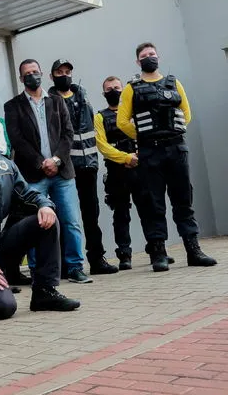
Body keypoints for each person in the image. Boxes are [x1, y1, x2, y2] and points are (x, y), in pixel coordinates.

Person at [0, 110, 80, 318]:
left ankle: (45, 292)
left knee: (47, 219)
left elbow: (27, 192)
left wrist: (45, 204)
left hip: (5, 245)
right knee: (3, 307)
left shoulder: (5, 164)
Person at [117, 42, 216, 271]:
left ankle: (194, 251)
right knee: (154, 203)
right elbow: (122, 121)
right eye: (144, 56)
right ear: (137, 61)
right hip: (150, 152)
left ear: (158, 56)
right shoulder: (132, 88)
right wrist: (144, 135)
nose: (149, 58)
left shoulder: (174, 83)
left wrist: (171, 131)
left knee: (183, 200)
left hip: (176, 149)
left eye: (152, 54)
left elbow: (186, 114)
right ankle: (158, 255)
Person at [3, 60, 92, 284]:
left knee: (71, 221)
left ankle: (74, 267)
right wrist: (40, 163)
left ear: (42, 74)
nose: (32, 76)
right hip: (33, 175)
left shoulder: (57, 101)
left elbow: (68, 134)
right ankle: (37, 271)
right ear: (21, 78)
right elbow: (17, 140)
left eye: (35, 72)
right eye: (27, 73)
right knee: (35, 223)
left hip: (62, 173)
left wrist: (56, 160)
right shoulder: (13, 106)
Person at [48, 60, 118, 275]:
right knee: (66, 218)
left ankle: (97, 260)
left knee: (91, 215)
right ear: (51, 76)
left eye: (68, 72)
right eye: (59, 72)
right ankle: (64, 265)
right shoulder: (50, 101)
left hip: (88, 165)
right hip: (65, 168)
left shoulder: (83, 98)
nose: (64, 75)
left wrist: (93, 160)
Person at [94, 76, 145, 271]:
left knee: (148, 210)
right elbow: (102, 145)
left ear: (124, 90)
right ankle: (125, 255)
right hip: (117, 172)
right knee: (121, 214)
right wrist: (126, 158)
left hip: (140, 168)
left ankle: (157, 249)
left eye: (116, 87)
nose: (113, 91)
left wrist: (138, 156)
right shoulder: (99, 117)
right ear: (104, 93)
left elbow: (144, 136)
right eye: (109, 89)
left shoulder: (134, 113)